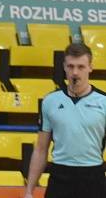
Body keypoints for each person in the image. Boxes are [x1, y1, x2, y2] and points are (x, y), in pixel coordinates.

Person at [24, 42, 106, 198]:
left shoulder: (104, 102)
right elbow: (41, 149)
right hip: (60, 177)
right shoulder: (50, 101)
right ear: (64, 67)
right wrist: (29, 191)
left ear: (90, 67)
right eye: (71, 66)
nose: (75, 72)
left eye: (81, 67)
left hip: (93, 177)